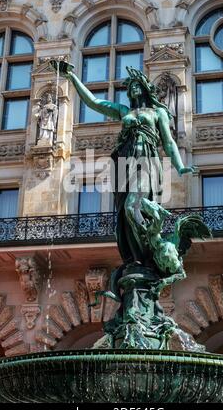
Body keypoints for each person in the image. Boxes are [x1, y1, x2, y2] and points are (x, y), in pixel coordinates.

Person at [52, 61, 195, 268]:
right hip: (124, 163)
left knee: (132, 206)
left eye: (137, 85)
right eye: (130, 87)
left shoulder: (157, 113)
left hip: (146, 160)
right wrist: (72, 77)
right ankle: (136, 258)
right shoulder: (123, 111)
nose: (133, 89)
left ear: (145, 88)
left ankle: (150, 246)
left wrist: (180, 166)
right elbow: (93, 102)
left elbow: (169, 141)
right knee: (125, 215)